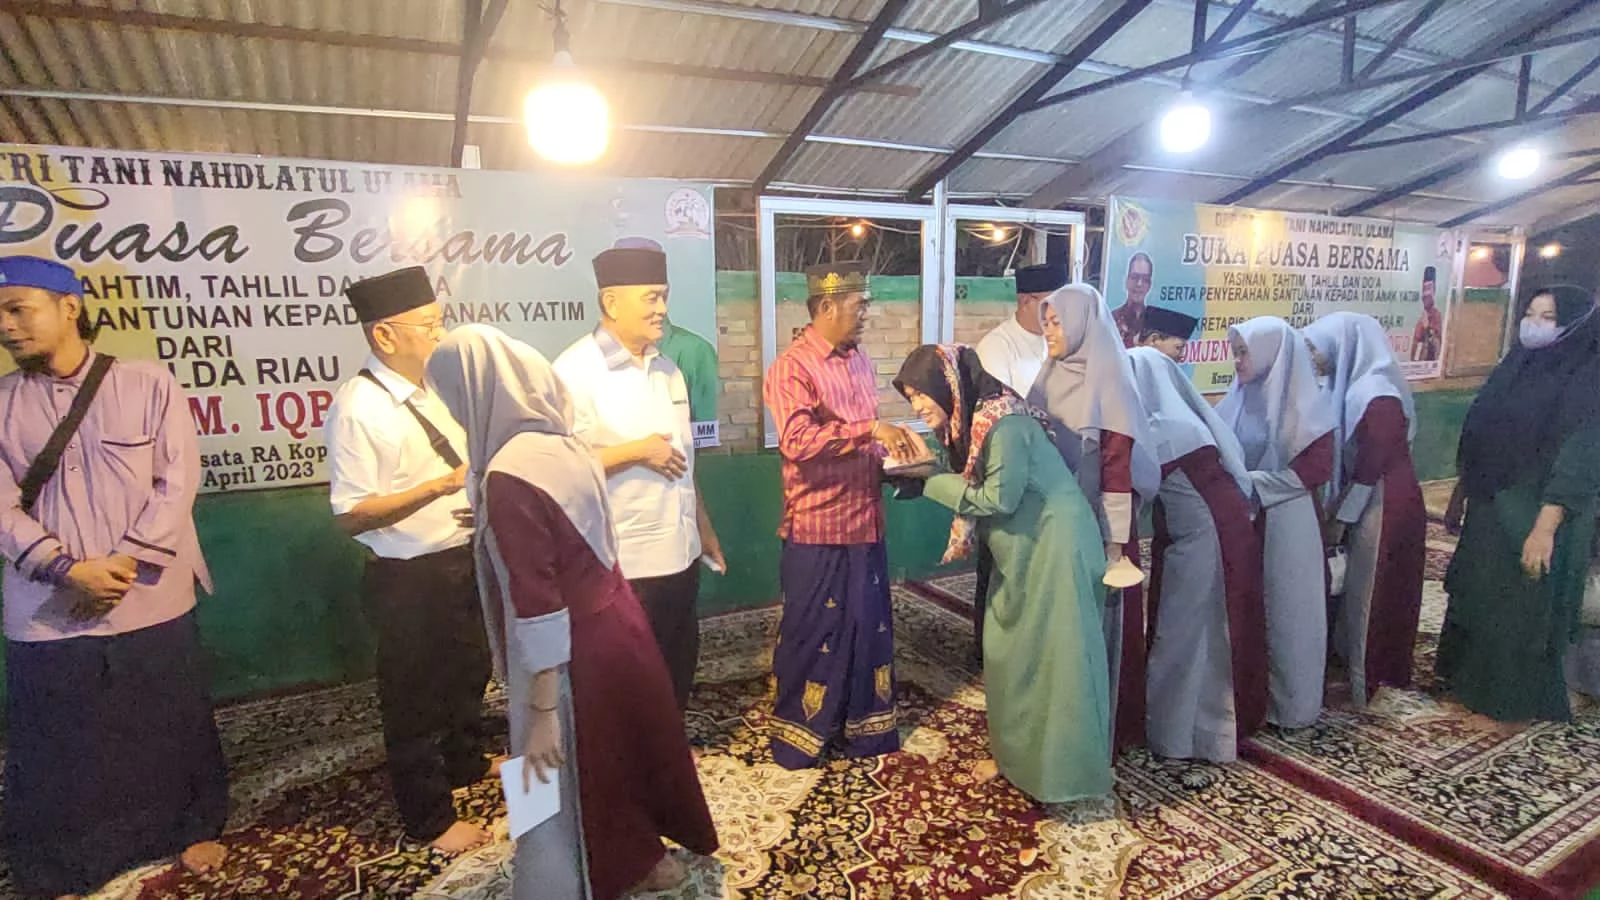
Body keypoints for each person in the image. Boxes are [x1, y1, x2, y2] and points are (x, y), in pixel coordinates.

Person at [427, 325, 718, 899]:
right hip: (616, 624)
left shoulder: (509, 475)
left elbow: (537, 603)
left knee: (560, 765)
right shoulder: (562, 446)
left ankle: (561, 877)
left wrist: (539, 710)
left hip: (566, 652)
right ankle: (642, 854)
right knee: (623, 747)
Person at [0, 255, 227, 898]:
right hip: (48, 604)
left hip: (149, 593)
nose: (7, 326)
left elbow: (177, 479)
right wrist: (67, 569)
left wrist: (120, 566)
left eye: (19, 309)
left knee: (171, 717)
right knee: (52, 738)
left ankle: (192, 828)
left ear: (69, 306)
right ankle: (56, 868)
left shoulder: (147, 385)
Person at [893, 344, 1112, 801]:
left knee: (1055, 662)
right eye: (910, 399)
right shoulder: (974, 424)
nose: (917, 407)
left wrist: (928, 478)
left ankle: (1062, 777)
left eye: (920, 395)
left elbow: (998, 499)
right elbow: (976, 484)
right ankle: (1017, 759)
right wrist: (921, 470)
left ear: (948, 386)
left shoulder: (1005, 423)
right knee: (1009, 651)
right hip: (1025, 547)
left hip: (1056, 547)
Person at [324, 266, 493, 854]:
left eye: (441, 321)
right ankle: (428, 817)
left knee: (470, 671)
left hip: (461, 559)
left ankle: (467, 763)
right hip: (407, 577)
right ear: (384, 335)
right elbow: (351, 514)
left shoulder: (440, 388)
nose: (440, 335)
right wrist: (440, 487)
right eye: (428, 325)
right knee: (414, 698)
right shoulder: (358, 407)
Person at [762, 260, 921, 769]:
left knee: (866, 630)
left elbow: (862, 439)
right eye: (860, 304)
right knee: (813, 635)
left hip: (865, 521)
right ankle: (801, 736)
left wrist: (897, 462)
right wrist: (870, 431)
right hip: (818, 529)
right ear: (827, 306)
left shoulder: (860, 361)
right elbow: (797, 442)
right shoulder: (792, 368)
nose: (867, 313)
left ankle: (865, 730)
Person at [553, 245, 724, 713]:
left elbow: (683, 461)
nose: (663, 309)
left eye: (664, 296)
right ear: (611, 302)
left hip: (679, 554)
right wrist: (635, 451)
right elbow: (559, 469)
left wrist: (703, 527)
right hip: (622, 564)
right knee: (624, 684)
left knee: (675, 669)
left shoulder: (668, 370)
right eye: (651, 297)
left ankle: (666, 748)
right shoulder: (573, 373)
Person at [1439, 284, 1600, 730]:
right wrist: (1462, 490)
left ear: (1575, 325)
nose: (1534, 325)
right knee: (1477, 594)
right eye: (1530, 314)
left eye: (1548, 318)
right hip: (1493, 501)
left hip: (1537, 509)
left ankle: (1507, 707)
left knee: (1518, 609)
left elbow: (1579, 459)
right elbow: (1482, 429)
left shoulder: (1586, 378)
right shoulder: (1518, 365)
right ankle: (1468, 688)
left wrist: (1545, 528)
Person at [1029, 283, 1161, 751]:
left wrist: (1113, 546)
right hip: (1056, 523)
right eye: (1046, 322)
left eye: (1057, 322)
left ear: (1082, 323)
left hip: (1103, 531)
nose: (1049, 331)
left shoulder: (1110, 382)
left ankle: (1100, 734)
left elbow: (1116, 470)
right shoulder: (1046, 378)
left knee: (1099, 628)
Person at [1128, 346, 1267, 763]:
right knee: (1195, 629)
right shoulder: (1183, 421)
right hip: (1213, 532)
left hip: (1207, 538)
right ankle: (1191, 729)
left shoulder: (1165, 429)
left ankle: (1185, 734)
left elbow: (1134, 487)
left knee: (1188, 633)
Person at [1218, 317, 1337, 730]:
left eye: (1244, 352)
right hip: (1245, 519)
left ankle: (1291, 706)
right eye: (1235, 353)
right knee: (1246, 608)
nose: (1238, 361)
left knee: (1289, 612)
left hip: (1289, 520)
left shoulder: (1308, 409)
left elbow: (1314, 471)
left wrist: (1248, 482)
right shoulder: (1238, 399)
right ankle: (1249, 699)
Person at [1303, 312, 1425, 708]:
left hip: (1385, 501)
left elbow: (1372, 466)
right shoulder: (1348, 387)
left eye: (1315, 349)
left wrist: (1342, 518)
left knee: (1371, 588)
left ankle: (1367, 674)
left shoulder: (1377, 393)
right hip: (1368, 494)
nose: (1312, 358)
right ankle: (1350, 661)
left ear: (1343, 347)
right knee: (1356, 583)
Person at [970, 262, 1066, 665]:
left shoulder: (1055, 342)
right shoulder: (997, 347)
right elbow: (1001, 416)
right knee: (999, 567)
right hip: (1007, 472)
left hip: (1047, 474)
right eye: (1048, 305)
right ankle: (987, 654)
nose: (1055, 317)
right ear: (1026, 301)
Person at [611, 237, 720, 429]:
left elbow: (704, 432)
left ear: (665, 293)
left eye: (653, 296)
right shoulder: (587, 359)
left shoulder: (694, 351)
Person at [1112, 253, 1154, 348]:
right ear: (1127, 281)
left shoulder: (1154, 324)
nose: (1139, 284)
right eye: (1134, 277)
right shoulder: (1112, 319)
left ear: (1149, 285)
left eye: (1145, 279)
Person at [1411, 266, 1443, 362]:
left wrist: (1427, 328)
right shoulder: (1421, 320)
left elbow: (1437, 347)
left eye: (1428, 291)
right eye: (1424, 292)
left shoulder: (1436, 315)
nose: (1425, 297)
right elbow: (1416, 347)